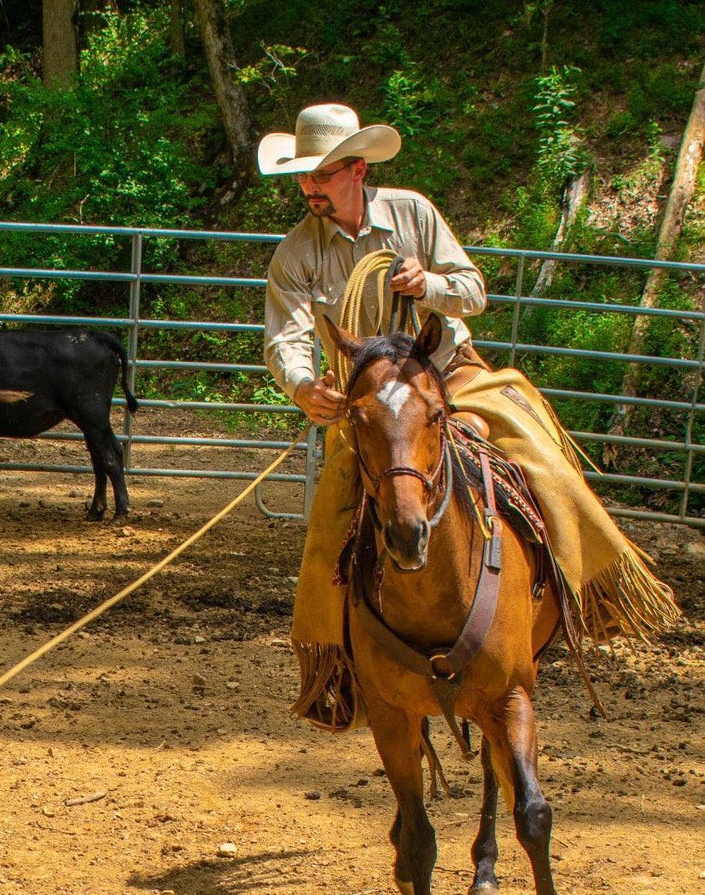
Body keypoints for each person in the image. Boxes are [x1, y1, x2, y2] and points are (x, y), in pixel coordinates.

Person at [260, 103, 677, 730]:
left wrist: (427, 284)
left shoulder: (414, 214)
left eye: (320, 174)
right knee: (333, 516)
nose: (310, 188)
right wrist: (302, 387)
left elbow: (474, 289)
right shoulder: (297, 254)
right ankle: (337, 661)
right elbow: (286, 338)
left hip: (448, 373)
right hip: (371, 400)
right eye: (303, 176)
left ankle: (592, 587)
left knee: (531, 447)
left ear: (356, 168)